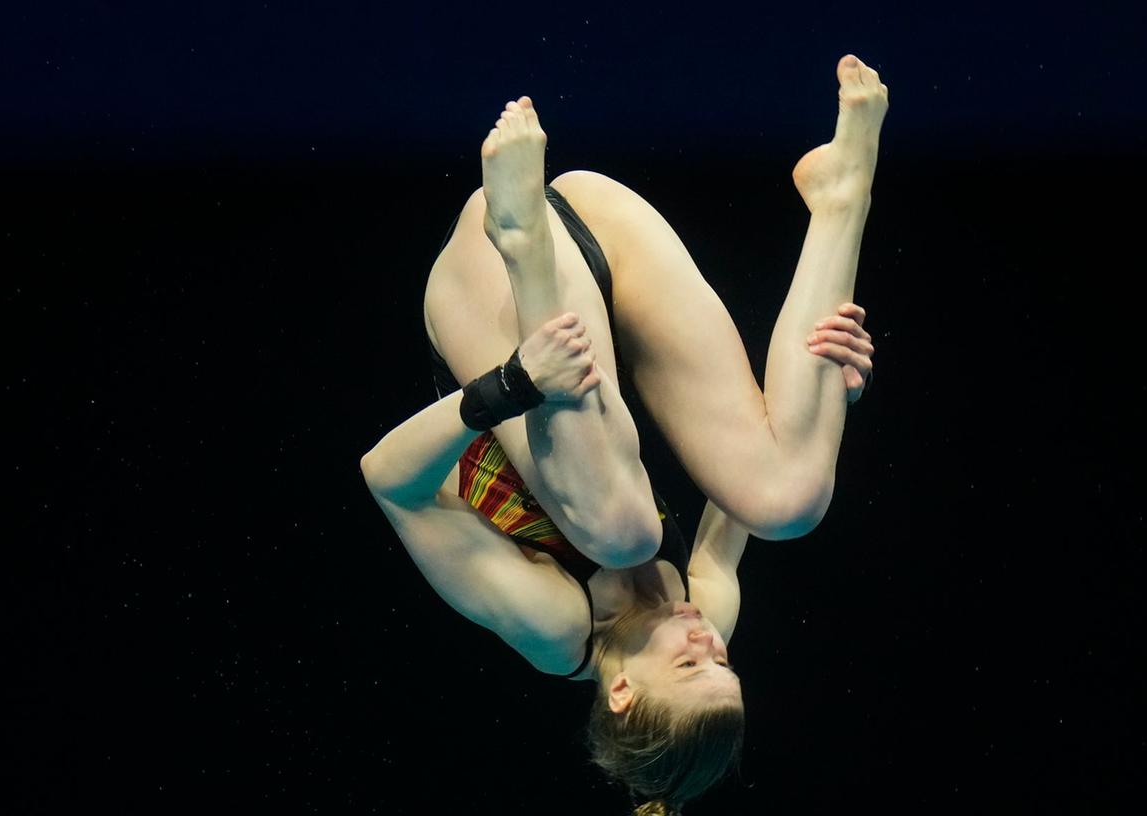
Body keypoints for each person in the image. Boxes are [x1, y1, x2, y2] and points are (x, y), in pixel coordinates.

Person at [360, 53, 887, 815]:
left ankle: (523, 242)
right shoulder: (705, 607)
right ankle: (841, 198)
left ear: (620, 689)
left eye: (690, 665)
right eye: (725, 663)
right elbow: (743, 484)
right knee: (790, 501)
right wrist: (825, 408)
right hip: (606, 231)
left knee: (621, 532)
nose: (710, 641)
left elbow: (389, 479)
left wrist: (508, 384)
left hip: (491, 285)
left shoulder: (552, 626)